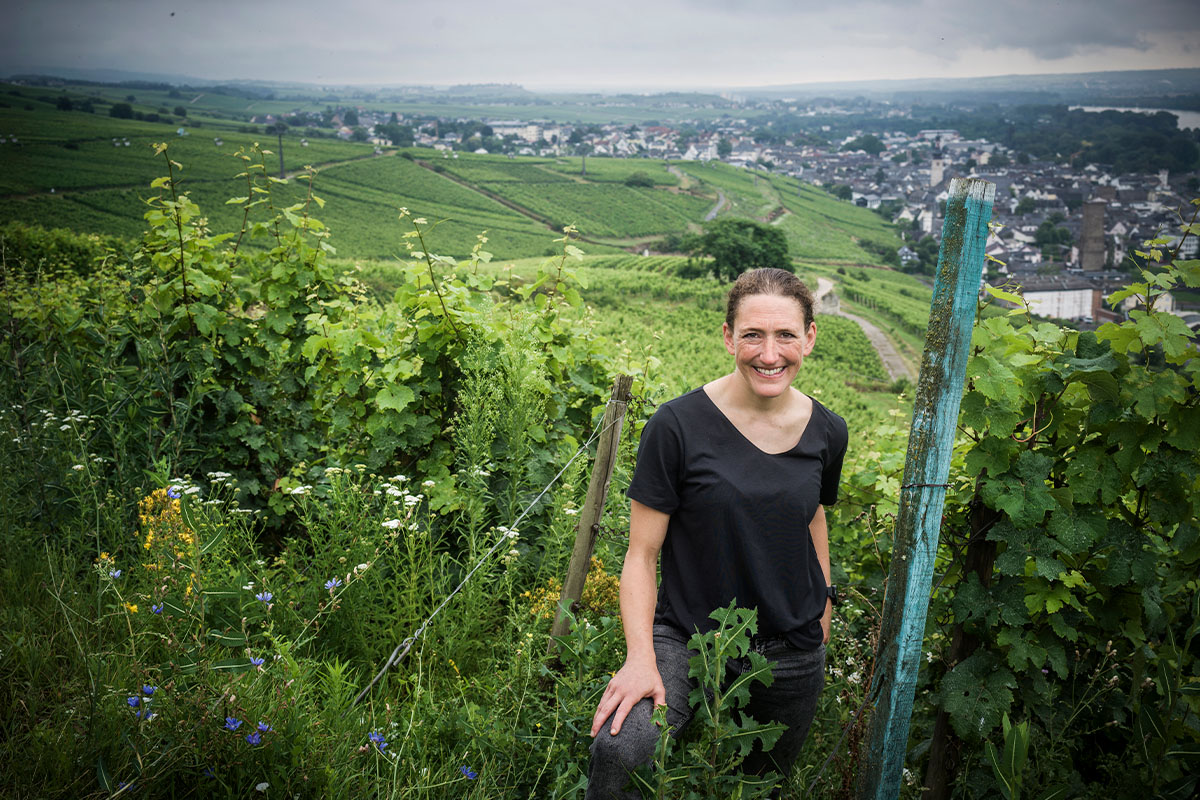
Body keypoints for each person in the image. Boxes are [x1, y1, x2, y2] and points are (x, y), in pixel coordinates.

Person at [586, 267, 848, 799]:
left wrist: (823, 608)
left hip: (791, 647)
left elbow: (813, 516)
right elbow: (641, 554)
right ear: (728, 336)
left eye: (786, 336)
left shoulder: (827, 430)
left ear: (810, 338)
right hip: (688, 636)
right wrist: (640, 660)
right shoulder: (677, 426)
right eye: (753, 334)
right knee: (621, 752)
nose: (769, 354)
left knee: (760, 788)